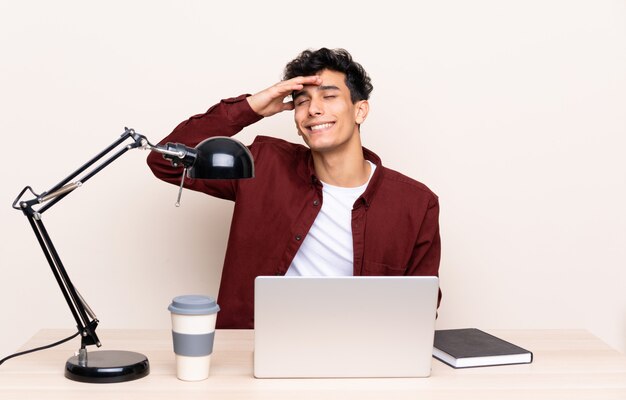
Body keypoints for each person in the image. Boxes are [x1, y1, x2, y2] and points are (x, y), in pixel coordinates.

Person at [147, 48, 441, 329]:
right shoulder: (262, 166)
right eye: (301, 101)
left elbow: (421, 308)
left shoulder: (414, 203)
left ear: (360, 111)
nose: (314, 109)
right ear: (297, 123)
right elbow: (163, 160)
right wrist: (250, 108)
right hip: (251, 350)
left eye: (329, 96)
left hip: (358, 355)